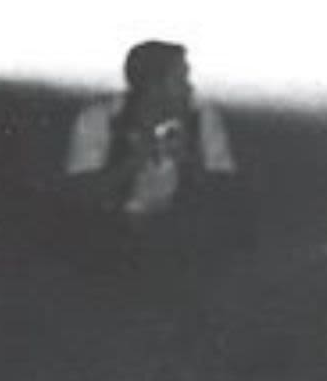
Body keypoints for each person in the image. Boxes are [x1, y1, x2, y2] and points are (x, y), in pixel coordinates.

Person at [59, 40, 237, 267]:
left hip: (181, 239)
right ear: (153, 84)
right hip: (110, 239)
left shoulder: (203, 119)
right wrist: (133, 161)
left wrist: (188, 161)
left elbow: (223, 189)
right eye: (180, 78)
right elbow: (80, 193)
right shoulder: (99, 119)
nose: (189, 87)